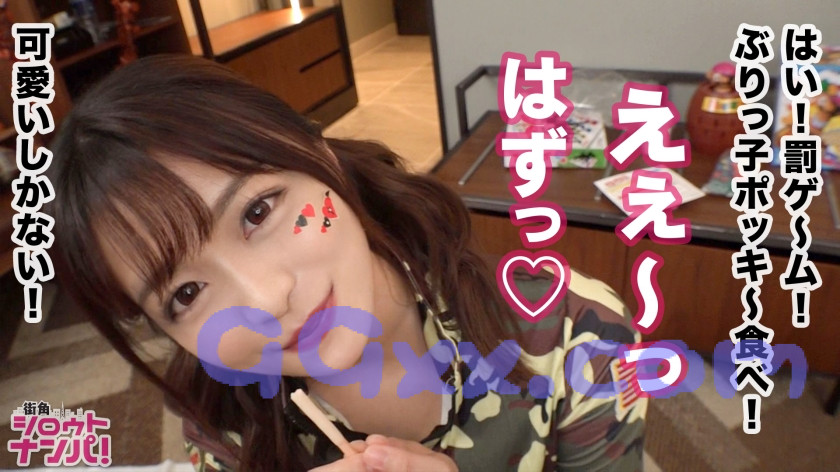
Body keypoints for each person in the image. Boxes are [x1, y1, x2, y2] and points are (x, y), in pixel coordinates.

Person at [48, 54, 646, 471]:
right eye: (185, 294)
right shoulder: (220, 411)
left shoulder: (577, 333)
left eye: (257, 211)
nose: (265, 299)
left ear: (317, 151)